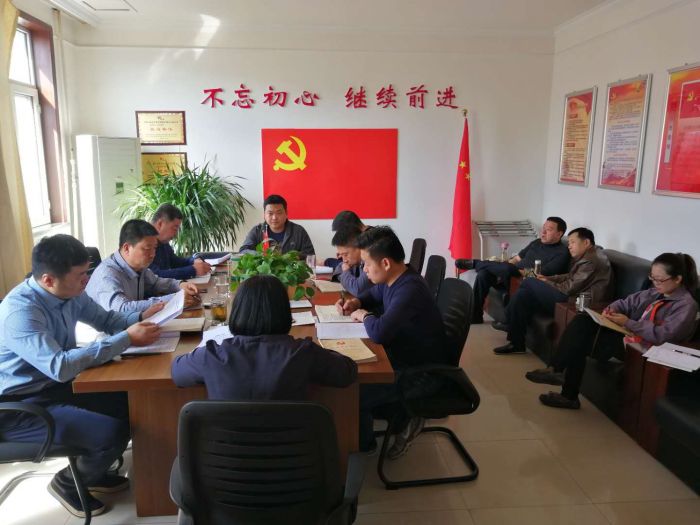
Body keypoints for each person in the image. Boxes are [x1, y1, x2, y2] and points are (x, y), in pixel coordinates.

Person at [0, 235, 163, 517]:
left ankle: (93, 471)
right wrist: (127, 338)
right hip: (20, 405)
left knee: (130, 403)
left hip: (55, 386)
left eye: (87, 272)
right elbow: (60, 366)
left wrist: (142, 318)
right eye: (80, 275)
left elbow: (107, 320)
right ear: (48, 280)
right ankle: (66, 482)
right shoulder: (21, 312)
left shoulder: (71, 292)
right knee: (110, 431)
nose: (87, 280)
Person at [526, 253, 699, 409]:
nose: (655, 283)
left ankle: (565, 389)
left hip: (649, 348)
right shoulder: (654, 293)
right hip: (630, 337)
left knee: (580, 341)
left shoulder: (686, 305)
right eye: (652, 278)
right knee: (583, 321)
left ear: (677, 279)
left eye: (660, 280)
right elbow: (625, 303)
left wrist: (628, 323)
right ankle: (558, 372)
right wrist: (612, 309)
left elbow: (664, 335)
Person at [335, 226, 447, 458]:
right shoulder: (395, 278)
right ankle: (393, 418)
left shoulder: (410, 289)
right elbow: (372, 295)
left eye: (367, 264)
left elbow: (379, 333)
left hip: (421, 373)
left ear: (385, 263)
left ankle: (365, 447)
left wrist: (364, 315)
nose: (364, 270)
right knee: (351, 376)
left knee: (352, 394)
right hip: (399, 355)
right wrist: (356, 302)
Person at [171, 274, 357, 399]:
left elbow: (177, 371)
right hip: (291, 447)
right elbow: (347, 372)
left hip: (226, 448)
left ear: (238, 312)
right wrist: (323, 351)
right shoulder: (303, 352)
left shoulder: (211, 355)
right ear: (284, 312)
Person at [493, 227, 613, 355]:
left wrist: (546, 282)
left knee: (529, 281)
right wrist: (548, 278)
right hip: (573, 297)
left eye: (573, 242)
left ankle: (508, 320)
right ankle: (516, 343)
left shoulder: (590, 261)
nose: (569, 246)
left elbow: (569, 287)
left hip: (578, 303)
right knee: (523, 295)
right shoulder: (589, 255)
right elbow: (570, 276)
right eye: (569, 242)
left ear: (586, 242)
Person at [455, 217, 570, 324]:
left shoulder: (562, 253)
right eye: (543, 227)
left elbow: (541, 274)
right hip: (510, 274)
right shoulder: (536, 242)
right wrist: (501, 267)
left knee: (508, 268)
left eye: (548, 229)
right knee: (484, 274)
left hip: (529, 280)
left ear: (559, 234)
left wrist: (514, 270)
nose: (543, 232)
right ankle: (475, 316)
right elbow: (516, 259)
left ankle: (476, 263)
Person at [86, 219, 201, 313]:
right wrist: (174, 299)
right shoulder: (107, 275)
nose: (152, 254)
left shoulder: (138, 267)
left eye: (154, 248)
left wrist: (180, 285)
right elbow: (122, 309)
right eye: (147, 249)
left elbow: (155, 283)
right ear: (127, 248)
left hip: (133, 327)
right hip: (108, 334)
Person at [149, 204, 212, 279]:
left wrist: (194, 261)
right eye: (175, 229)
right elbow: (155, 276)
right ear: (160, 224)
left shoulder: (163, 242)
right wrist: (193, 270)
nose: (176, 234)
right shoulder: (143, 242)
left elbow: (175, 262)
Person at [239, 194, 315, 257]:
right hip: (264, 270)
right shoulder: (257, 230)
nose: (274, 217)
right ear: (264, 214)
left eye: (279, 213)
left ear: (286, 213)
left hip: (291, 270)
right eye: (270, 213)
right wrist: (261, 255)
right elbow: (243, 251)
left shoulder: (298, 231)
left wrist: (292, 257)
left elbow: (310, 255)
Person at [330, 226, 374, 296]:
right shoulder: (354, 261)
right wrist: (347, 277)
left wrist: (346, 272)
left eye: (345, 255)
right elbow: (339, 267)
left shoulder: (371, 262)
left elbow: (356, 288)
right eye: (341, 255)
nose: (344, 260)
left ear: (359, 247)